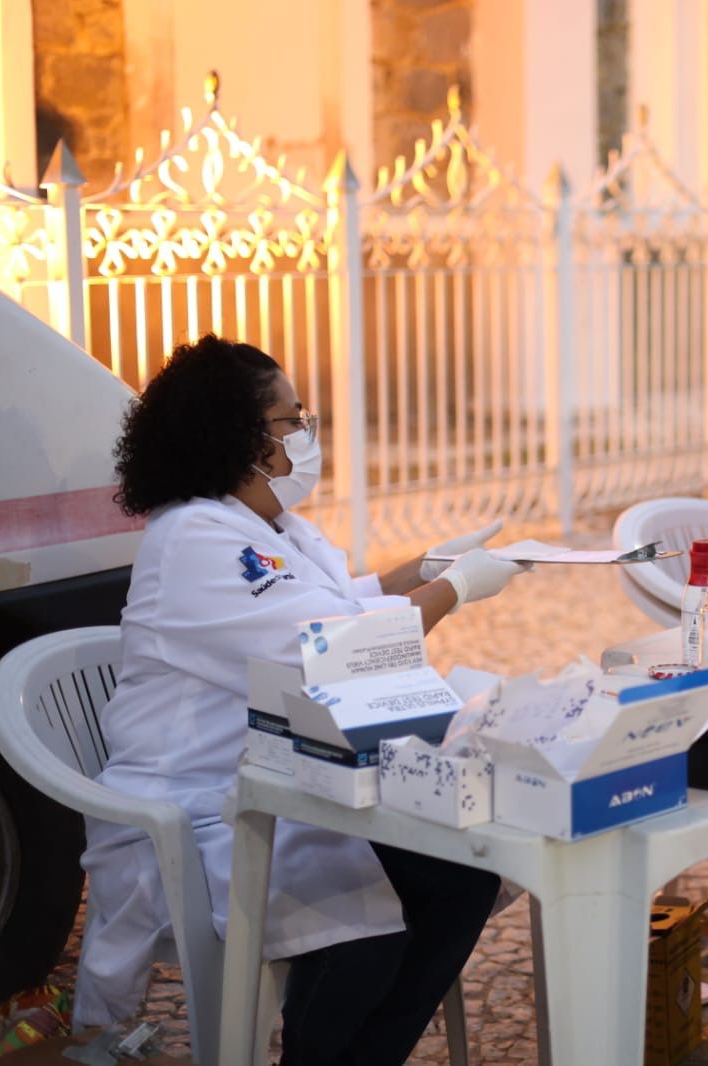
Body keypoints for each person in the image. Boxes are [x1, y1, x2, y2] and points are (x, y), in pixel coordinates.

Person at [81, 335, 527, 1065]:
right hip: (199, 811)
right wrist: (457, 588)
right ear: (239, 434)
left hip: (288, 782)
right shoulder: (195, 537)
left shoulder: (268, 525)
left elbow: (333, 604)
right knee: (365, 933)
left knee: (461, 877)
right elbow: (331, 652)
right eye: (290, 420)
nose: (303, 433)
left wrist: (424, 567)